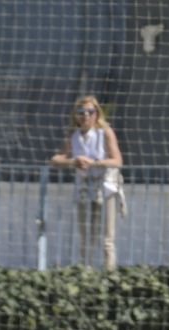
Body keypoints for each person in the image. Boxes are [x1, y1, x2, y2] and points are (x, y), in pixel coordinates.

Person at [50, 95, 124, 270]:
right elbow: (55, 159)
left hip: (105, 185)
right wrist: (73, 161)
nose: (85, 116)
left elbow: (117, 160)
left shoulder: (104, 132)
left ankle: (109, 273)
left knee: (107, 237)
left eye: (90, 112)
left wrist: (94, 163)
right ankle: (86, 271)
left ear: (96, 114)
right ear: (76, 115)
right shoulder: (74, 135)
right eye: (81, 112)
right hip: (84, 186)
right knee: (86, 234)